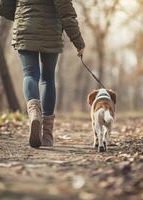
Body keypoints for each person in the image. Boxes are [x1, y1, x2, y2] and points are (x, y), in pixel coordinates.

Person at [12, 0, 85, 148]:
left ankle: (34, 114)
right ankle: (46, 134)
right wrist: (79, 42)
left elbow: (3, 6)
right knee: (47, 78)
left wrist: (20, 14)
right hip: (51, 31)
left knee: (30, 75)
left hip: (25, 27)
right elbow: (66, 13)